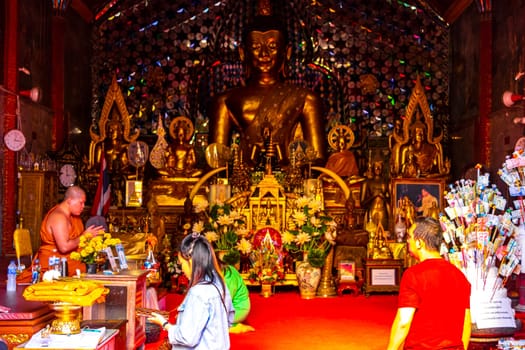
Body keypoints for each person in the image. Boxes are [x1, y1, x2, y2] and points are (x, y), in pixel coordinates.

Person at [208, 15, 327, 168]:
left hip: (290, 183)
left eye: (272, 47)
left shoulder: (306, 99)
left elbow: (317, 160)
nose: (264, 54)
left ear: (287, 52)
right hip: (242, 183)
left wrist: (288, 165)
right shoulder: (226, 101)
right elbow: (215, 161)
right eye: (256, 47)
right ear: (243, 52)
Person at [387, 217, 471, 350]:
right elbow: (466, 321)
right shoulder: (459, 276)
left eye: (409, 237)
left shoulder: (413, 275)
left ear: (419, 243)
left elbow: (403, 321)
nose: (407, 240)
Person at [149, 233, 234, 349]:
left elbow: (187, 337)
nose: (182, 268)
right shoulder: (219, 283)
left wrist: (164, 324)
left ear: (191, 261)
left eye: (182, 263)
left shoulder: (198, 293)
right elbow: (229, 319)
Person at [18, 186, 105, 282]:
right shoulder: (58, 217)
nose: (83, 206)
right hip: (53, 265)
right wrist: (84, 236)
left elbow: (77, 241)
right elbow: (64, 247)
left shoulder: (73, 217)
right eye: (81, 202)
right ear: (70, 200)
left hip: (70, 262)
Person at [360, 161, 390, 231]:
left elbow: (391, 201)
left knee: (383, 232)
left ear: (383, 168)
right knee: (371, 233)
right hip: (372, 210)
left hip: (382, 210)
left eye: (380, 167)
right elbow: (362, 203)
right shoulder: (367, 182)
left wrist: (383, 197)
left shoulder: (386, 182)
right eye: (376, 167)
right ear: (372, 168)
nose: (378, 169)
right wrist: (373, 196)